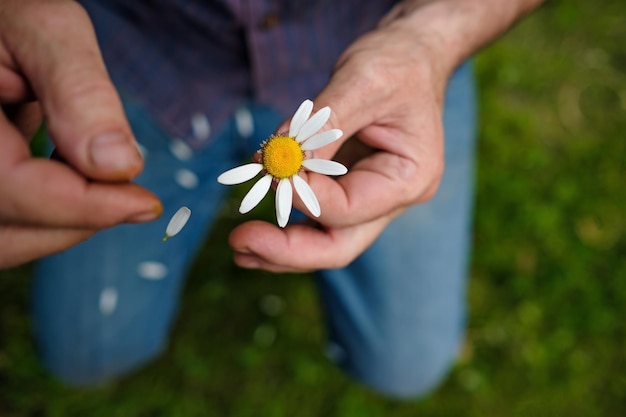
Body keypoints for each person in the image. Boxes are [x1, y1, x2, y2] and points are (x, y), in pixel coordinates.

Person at [0, 0, 543, 398]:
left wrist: (432, 39)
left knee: (406, 367)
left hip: (380, 55)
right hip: (142, 59)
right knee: (84, 355)